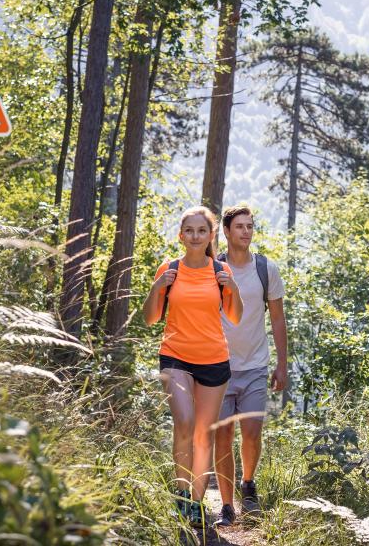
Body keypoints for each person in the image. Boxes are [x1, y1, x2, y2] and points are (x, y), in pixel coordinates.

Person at [143, 206, 244, 530]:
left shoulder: (220, 271)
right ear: (181, 235)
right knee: (184, 422)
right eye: (190, 230)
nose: (196, 236)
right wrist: (158, 287)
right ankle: (181, 494)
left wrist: (234, 287)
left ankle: (194, 505)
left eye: (202, 230)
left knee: (203, 435)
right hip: (175, 356)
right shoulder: (169, 269)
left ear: (211, 235)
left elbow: (236, 317)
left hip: (214, 360)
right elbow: (150, 318)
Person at [212, 204, 288, 527]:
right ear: (227, 232)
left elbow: (278, 318)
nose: (246, 231)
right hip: (219, 368)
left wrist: (282, 364)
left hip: (256, 366)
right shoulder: (213, 270)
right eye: (240, 226)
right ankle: (227, 506)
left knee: (252, 434)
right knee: (223, 436)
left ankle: (248, 483)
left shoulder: (265, 269)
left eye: (250, 226)